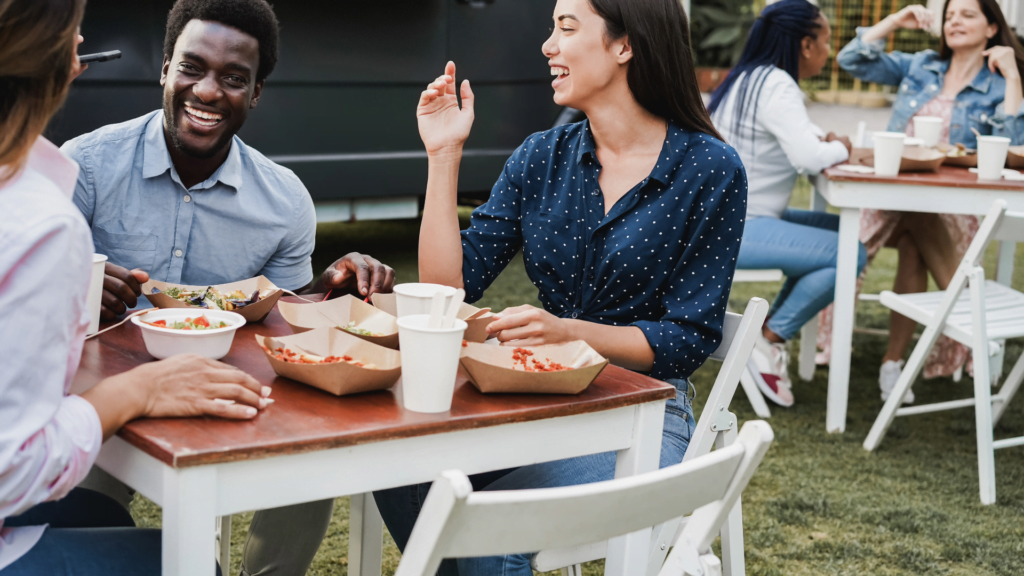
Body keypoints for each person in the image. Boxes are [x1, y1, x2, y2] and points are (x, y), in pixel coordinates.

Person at [372, 0, 746, 573]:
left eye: (566, 28)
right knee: (395, 471)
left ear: (625, 45)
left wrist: (570, 332)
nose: (548, 45)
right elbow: (448, 291)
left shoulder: (710, 169)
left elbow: (689, 337)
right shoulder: (541, 157)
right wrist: (443, 155)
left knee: (486, 528)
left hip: (643, 416)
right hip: (536, 400)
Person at [60, 1, 397, 573]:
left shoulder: (285, 200)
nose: (209, 92)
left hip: (230, 392)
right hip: (105, 399)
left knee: (309, 467)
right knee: (82, 508)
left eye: (234, 79)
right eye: (192, 68)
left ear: (256, 92)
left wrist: (328, 290)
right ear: (165, 68)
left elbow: (284, 318)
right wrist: (78, 284)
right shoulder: (85, 168)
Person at [0, 1, 268, 573]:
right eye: (76, 36)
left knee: (100, 515)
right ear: (68, 63)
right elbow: (12, 470)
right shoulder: (42, 218)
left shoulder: (285, 197)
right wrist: (136, 392)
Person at [831, 0, 1024, 403]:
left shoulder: (997, 81)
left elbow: (1015, 146)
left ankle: (893, 363)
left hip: (954, 201)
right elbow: (853, 58)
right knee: (883, 237)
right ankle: (971, 320)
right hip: (892, 189)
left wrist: (1011, 75)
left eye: (967, 14)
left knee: (915, 244)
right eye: (950, 14)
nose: (954, 20)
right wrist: (896, 20)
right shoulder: (921, 65)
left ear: (992, 28)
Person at [707, 0, 868, 408]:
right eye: (827, 42)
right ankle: (769, 337)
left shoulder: (748, 78)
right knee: (852, 252)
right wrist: (838, 147)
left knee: (842, 236)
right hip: (739, 228)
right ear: (806, 44)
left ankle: (765, 334)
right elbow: (809, 156)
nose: (830, 52)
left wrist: (830, 143)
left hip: (730, 220)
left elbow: (808, 137)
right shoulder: (777, 84)